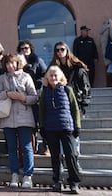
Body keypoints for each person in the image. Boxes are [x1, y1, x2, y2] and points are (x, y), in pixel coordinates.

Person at [0, 54, 37, 188]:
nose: (10, 66)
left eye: (12, 63)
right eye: (7, 64)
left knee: (26, 148)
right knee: (11, 148)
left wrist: (22, 97)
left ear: (17, 63)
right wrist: (6, 94)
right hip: (7, 117)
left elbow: (34, 96)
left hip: (24, 116)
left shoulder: (26, 76)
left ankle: (28, 176)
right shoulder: (2, 78)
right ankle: (14, 174)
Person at [39, 65, 81, 194]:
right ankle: (57, 181)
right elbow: (42, 111)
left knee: (71, 155)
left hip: (66, 127)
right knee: (55, 157)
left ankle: (74, 183)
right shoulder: (44, 92)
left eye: (55, 75)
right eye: (51, 75)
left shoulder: (67, 89)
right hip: (51, 128)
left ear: (61, 76)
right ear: (47, 78)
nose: (53, 77)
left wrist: (77, 125)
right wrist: (42, 126)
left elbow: (75, 109)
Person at [17, 40, 48, 155]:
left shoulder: (38, 60)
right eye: (22, 48)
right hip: (23, 97)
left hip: (37, 94)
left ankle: (46, 146)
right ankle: (33, 146)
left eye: (26, 48)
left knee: (41, 121)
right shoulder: (18, 62)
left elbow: (44, 76)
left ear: (30, 49)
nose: (24, 50)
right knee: (31, 124)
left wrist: (35, 84)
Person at [50, 42, 91, 115]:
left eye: (62, 49)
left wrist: (84, 102)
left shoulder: (77, 68)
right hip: (60, 100)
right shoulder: (54, 67)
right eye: (57, 50)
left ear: (67, 50)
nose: (60, 52)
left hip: (75, 100)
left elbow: (85, 85)